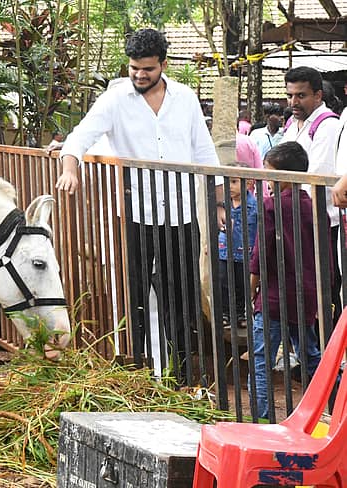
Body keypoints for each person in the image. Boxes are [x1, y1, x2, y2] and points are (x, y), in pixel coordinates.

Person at [55, 28, 220, 381]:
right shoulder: (114, 100)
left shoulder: (185, 98)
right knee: (135, 296)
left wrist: (219, 202)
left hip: (180, 214)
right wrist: (70, 169)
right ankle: (137, 373)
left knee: (182, 296)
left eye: (147, 69)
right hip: (135, 214)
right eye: (134, 68)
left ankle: (181, 376)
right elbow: (79, 136)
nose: (140, 75)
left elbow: (204, 150)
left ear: (163, 64)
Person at [248, 142, 323, 419]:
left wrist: (252, 290)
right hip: (305, 295)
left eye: (270, 173)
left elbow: (261, 254)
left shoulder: (272, 206)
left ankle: (262, 420)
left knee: (261, 360)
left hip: (274, 296)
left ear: (284, 176)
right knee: (310, 355)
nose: (267, 179)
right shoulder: (313, 207)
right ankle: (335, 404)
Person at [281, 66, 341, 325]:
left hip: (320, 221)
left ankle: (331, 343)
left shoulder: (327, 126)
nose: (294, 102)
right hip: (293, 216)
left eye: (301, 95)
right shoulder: (292, 125)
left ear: (318, 95)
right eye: (290, 95)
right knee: (300, 286)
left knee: (324, 288)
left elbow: (314, 178)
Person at [217, 162, 257, 331]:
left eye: (234, 182)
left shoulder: (255, 206)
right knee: (224, 282)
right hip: (224, 250)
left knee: (242, 284)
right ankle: (226, 313)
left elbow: (258, 230)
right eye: (227, 182)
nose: (229, 186)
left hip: (244, 252)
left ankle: (241, 313)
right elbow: (216, 226)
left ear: (248, 183)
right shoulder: (223, 205)